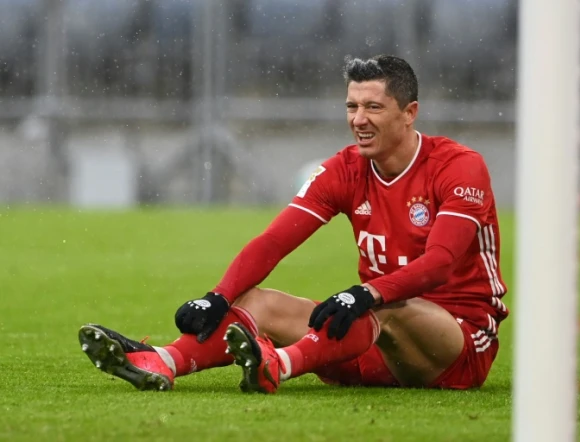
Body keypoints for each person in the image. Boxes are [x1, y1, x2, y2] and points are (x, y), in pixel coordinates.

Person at [78, 54, 508, 393]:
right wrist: (217, 296)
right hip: (370, 340)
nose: (358, 119)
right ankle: (163, 360)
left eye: (373, 107)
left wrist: (367, 293)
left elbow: (440, 263)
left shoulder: (458, 167)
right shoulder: (344, 169)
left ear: (410, 112)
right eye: (352, 106)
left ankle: (278, 365)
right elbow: (274, 241)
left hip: (458, 349)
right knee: (256, 301)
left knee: (385, 305)